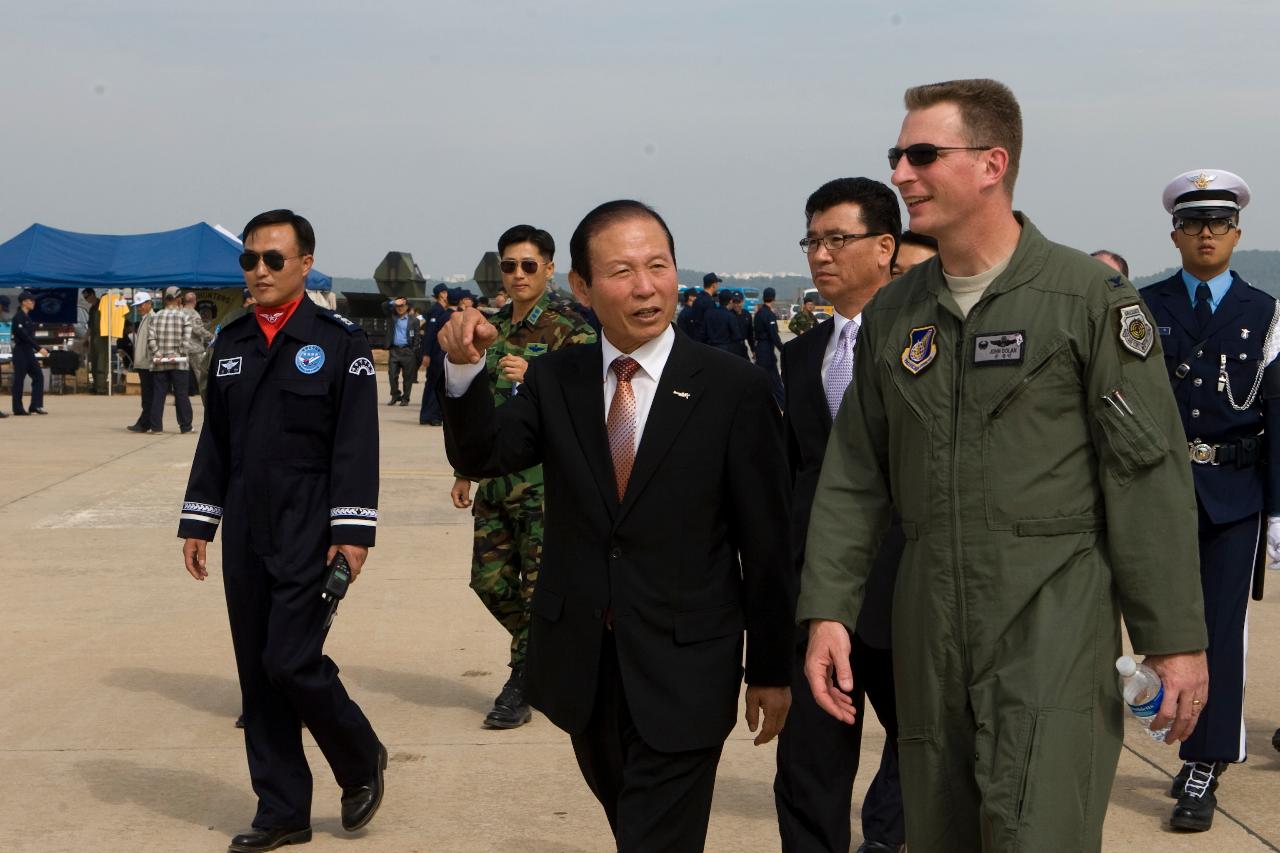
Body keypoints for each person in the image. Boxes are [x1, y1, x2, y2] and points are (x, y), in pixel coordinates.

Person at [798, 78, 1210, 852]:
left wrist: (1175, 636)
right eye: (897, 154)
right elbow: (855, 475)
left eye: (922, 154)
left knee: (1036, 829)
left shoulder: (1088, 300)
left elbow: (1145, 474)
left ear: (992, 164)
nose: (900, 173)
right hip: (929, 616)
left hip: (1050, 609)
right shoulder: (897, 311)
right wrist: (827, 609)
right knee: (939, 829)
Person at [438, 199, 793, 852]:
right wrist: (463, 372)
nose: (646, 286)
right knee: (634, 826)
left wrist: (771, 667)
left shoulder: (733, 389)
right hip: (585, 668)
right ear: (581, 285)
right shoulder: (555, 379)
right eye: (623, 270)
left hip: (687, 667)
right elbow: (483, 455)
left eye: (658, 265)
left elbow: (767, 544)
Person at [178, 209, 386, 853]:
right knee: (255, 670)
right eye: (249, 260)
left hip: (310, 525)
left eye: (272, 259)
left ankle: (359, 757)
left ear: (304, 264)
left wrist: (352, 532)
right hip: (245, 524)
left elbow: (356, 443)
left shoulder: (340, 341)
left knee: (290, 660)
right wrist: (199, 521)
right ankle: (282, 811)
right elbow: (215, 442)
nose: (259, 271)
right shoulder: (232, 343)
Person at [1138, 169, 1276, 832]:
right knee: (1145, 626)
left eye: (1218, 223)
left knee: (1220, 632)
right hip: (1153, 492)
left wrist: (1277, 511)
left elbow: (1276, 414)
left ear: (1236, 234)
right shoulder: (1142, 306)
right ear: (1175, 233)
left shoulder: (1266, 313)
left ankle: (1205, 760)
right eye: (1193, 223)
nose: (1205, 234)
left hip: (1233, 491)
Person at [775, 177, 906, 853]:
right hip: (820, 596)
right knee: (808, 766)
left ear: (885, 247)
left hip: (908, 594)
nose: (820, 254)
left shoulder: (926, 345)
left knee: (925, 745)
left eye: (837, 239)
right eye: (812, 240)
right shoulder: (802, 355)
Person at [449, 224, 597, 729]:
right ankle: (544, 655)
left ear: (550, 269)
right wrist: (464, 469)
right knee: (488, 581)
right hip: (495, 481)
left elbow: (593, 404)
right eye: (509, 266)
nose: (517, 275)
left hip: (544, 486)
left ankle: (522, 679)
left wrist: (538, 377)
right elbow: (475, 408)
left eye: (529, 265)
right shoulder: (489, 330)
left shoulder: (572, 332)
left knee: (538, 590)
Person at [147, 287, 193, 434]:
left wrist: (158, 353)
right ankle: (185, 426)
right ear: (179, 299)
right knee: (181, 395)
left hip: (160, 362)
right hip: (179, 362)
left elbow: (151, 339)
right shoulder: (184, 316)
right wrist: (178, 352)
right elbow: (186, 340)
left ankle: (156, 427)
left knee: (159, 395)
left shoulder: (156, 316)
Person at [10, 290, 48, 416]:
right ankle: (18, 408)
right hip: (20, 352)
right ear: (24, 302)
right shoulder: (18, 317)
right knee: (19, 380)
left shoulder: (27, 317)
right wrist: (39, 348)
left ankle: (35, 405)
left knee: (38, 376)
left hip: (28, 352)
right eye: (31, 300)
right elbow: (24, 336)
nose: (33, 302)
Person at [418, 282, 451, 426]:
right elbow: (430, 334)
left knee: (431, 385)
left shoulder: (439, 309)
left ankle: (426, 415)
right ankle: (432, 416)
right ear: (442, 294)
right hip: (435, 354)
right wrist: (426, 354)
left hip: (435, 353)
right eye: (446, 292)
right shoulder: (437, 310)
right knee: (435, 385)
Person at [126, 291, 157, 433]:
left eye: (141, 305)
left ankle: (145, 422)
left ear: (149, 303)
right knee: (147, 395)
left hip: (148, 364)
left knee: (148, 396)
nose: (139, 308)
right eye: (137, 306)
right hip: (143, 363)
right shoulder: (146, 318)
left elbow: (152, 342)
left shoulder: (152, 318)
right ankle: (146, 421)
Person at [383, 296, 422, 406]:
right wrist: (394, 301)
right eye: (398, 306)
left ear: (407, 307)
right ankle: (395, 395)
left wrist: (413, 350)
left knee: (408, 377)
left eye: (402, 306)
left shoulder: (413, 320)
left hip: (407, 351)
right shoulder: (392, 317)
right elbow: (384, 306)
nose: (400, 308)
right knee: (392, 375)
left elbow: (417, 336)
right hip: (394, 350)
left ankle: (406, 398)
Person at [753, 287, 785, 409]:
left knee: (761, 377)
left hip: (759, 347)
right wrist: (783, 349)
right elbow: (773, 335)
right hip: (767, 348)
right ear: (773, 298)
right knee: (775, 379)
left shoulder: (758, 314)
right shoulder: (769, 314)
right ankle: (784, 404)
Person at [181, 291, 214, 399]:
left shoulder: (179, 312)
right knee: (201, 374)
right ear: (194, 301)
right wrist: (212, 336)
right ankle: (207, 397)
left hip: (181, 348)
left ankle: (180, 398)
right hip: (195, 348)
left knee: (181, 375)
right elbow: (198, 330)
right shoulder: (194, 314)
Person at [83, 287, 108, 394]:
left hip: (102, 336)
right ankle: (96, 385)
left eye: (87, 297)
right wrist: (85, 338)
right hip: (94, 337)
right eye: (84, 298)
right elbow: (89, 326)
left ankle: (101, 388)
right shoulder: (92, 309)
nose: (86, 299)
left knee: (101, 362)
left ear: (93, 294)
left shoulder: (102, 306)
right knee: (93, 362)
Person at [686, 272, 719, 342]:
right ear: (713, 285)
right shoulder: (710, 302)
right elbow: (711, 324)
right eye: (717, 284)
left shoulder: (697, 300)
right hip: (706, 341)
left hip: (696, 338)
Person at [730, 291, 754, 359]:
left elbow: (750, 335)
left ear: (743, 302)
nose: (736, 305)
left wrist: (753, 350)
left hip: (742, 347)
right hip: (732, 348)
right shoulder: (728, 315)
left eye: (738, 302)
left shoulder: (747, 315)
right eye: (735, 302)